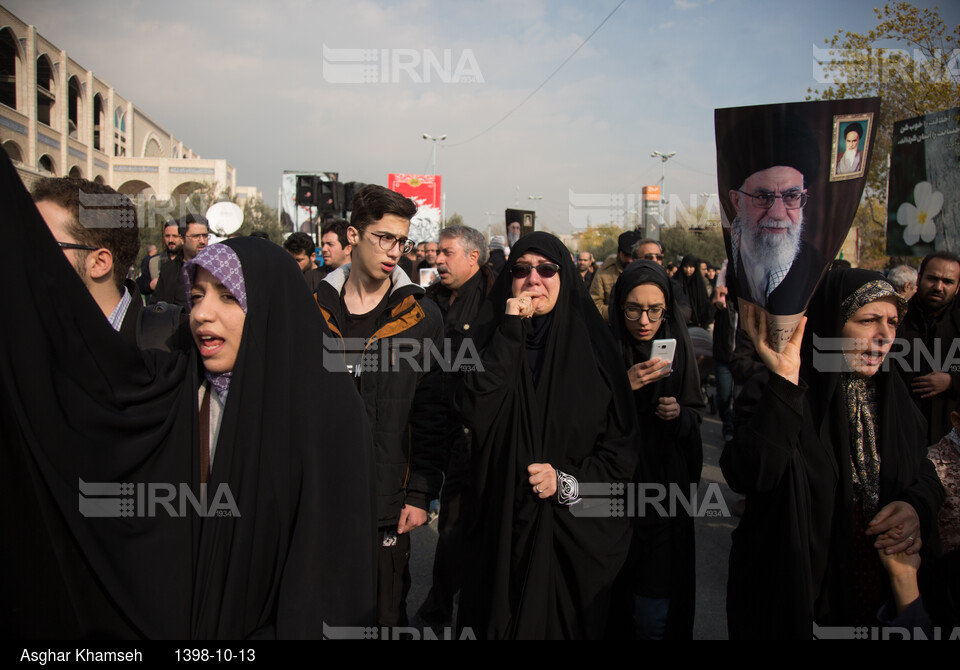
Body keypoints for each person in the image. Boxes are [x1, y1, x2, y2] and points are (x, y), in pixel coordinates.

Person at [0, 151, 377, 638]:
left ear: (268, 309)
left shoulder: (329, 415)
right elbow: (81, 366)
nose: (201, 314)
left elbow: (330, 581)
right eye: (196, 296)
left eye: (226, 297)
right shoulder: (181, 386)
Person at [721, 268, 944, 639]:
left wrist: (914, 506)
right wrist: (785, 387)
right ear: (831, 324)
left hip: (878, 602)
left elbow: (926, 470)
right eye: (868, 320)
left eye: (892, 321)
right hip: (799, 598)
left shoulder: (894, 395)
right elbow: (749, 473)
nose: (885, 335)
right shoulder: (778, 391)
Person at [455, 232, 639, 639]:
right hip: (500, 526)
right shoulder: (488, 339)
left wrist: (566, 484)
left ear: (566, 276)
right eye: (520, 270)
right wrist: (508, 332)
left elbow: (620, 454)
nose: (533, 279)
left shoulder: (597, 351)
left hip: (570, 536)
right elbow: (475, 407)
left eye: (546, 269)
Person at [314, 184, 445, 628]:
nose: (394, 251)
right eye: (383, 238)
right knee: (318, 609)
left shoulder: (421, 316)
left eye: (402, 241)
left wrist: (420, 493)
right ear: (353, 235)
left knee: (384, 612)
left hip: (387, 498)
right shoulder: (310, 307)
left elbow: (431, 412)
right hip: (317, 493)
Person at [609, 260, 704, 639]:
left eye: (654, 309)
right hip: (612, 493)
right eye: (633, 308)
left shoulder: (677, 352)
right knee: (613, 598)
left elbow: (695, 417)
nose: (644, 320)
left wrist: (679, 415)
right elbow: (579, 420)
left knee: (656, 605)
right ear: (619, 307)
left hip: (664, 492)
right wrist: (622, 387)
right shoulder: (603, 347)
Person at [419, 225, 495, 626]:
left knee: (458, 522)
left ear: (472, 258)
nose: (438, 260)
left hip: (475, 430)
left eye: (447, 253)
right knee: (445, 516)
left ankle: (451, 604)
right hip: (434, 421)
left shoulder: (495, 302)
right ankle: (439, 604)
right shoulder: (428, 299)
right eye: (438, 253)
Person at [725, 114, 825, 315]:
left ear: (803, 197)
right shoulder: (728, 253)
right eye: (763, 196)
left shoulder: (817, 265)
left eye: (791, 196)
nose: (778, 214)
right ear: (737, 201)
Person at [894, 252, 960, 444]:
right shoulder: (895, 319)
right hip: (903, 434)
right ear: (919, 278)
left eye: (947, 281)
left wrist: (952, 380)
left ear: (957, 287)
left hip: (950, 438)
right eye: (932, 278)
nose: (938, 287)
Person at [150, 214, 209, 309]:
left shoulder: (215, 269)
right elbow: (156, 306)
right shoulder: (168, 271)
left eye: (205, 236)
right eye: (196, 236)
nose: (202, 241)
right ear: (182, 239)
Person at [590, 230, 641, 323]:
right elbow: (594, 305)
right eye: (626, 255)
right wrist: (620, 314)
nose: (630, 260)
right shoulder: (604, 272)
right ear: (619, 252)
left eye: (633, 256)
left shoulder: (645, 271)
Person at [673, 254, 711, 329]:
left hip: (697, 324)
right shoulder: (676, 282)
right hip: (680, 323)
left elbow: (703, 303)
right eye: (686, 267)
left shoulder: (699, 284)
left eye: (691, 267)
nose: (688, 270)